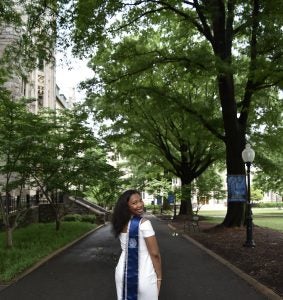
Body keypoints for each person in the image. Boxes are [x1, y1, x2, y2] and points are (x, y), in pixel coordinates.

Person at [112, 189, 162, 300]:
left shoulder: (120, 222)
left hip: (122, 273)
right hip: (144, 274)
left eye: (140, 200)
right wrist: (159, 277)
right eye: (134, 203)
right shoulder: (144, 223)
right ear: (126, 206)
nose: (140, 205)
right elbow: (154, 254)